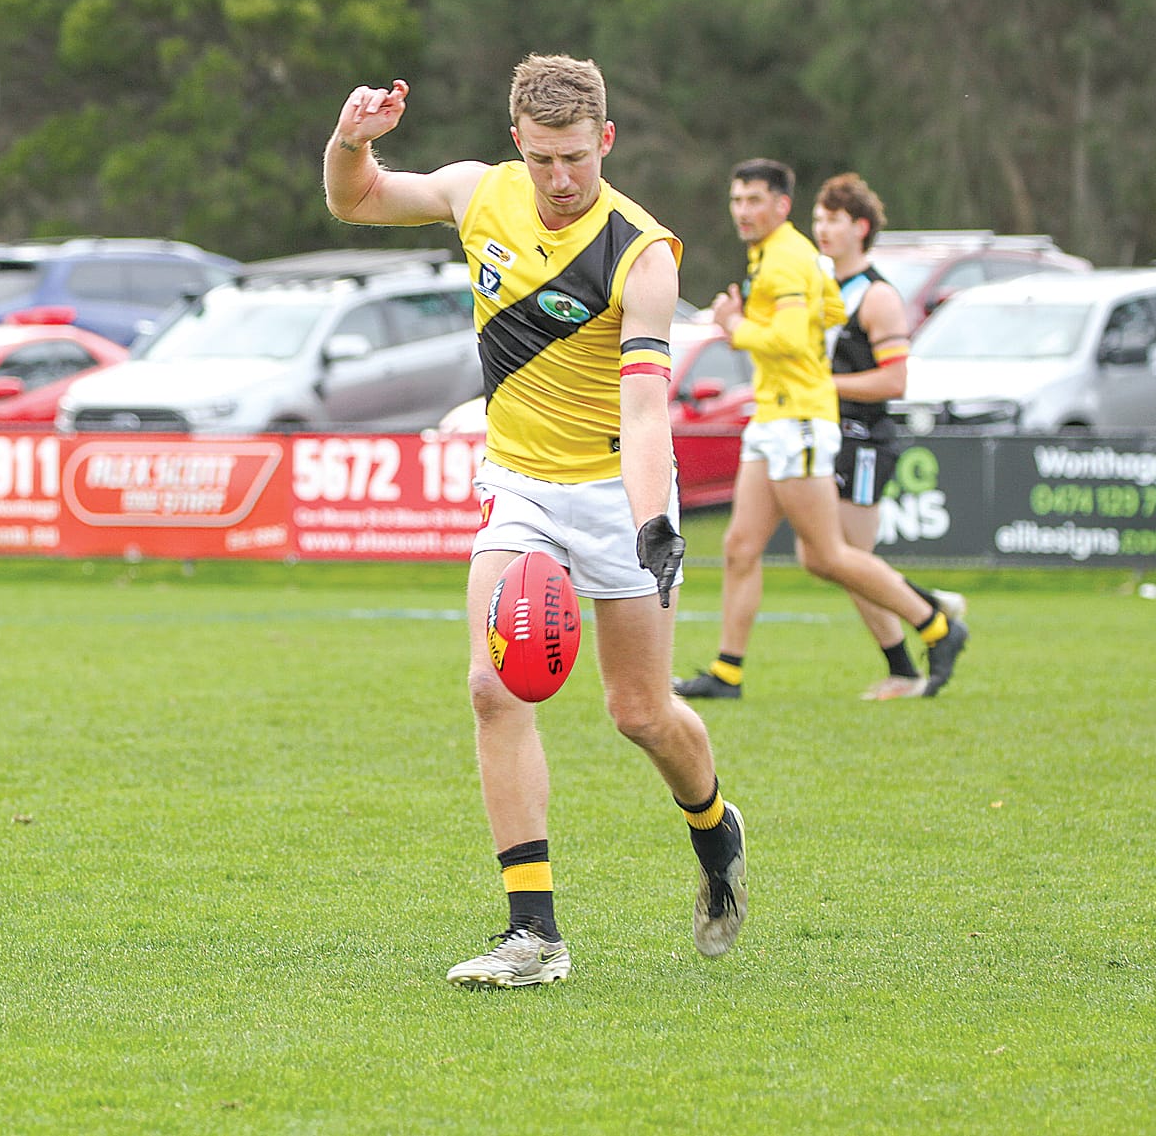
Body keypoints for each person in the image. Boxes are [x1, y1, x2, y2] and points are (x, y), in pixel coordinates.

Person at [323, 54, 747, 989]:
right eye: (544, 160)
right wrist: (350, 139)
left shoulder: (642, 255)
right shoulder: (478, 195)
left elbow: (644, 412)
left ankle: (716, 833)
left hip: (617, 491)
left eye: (577, 161)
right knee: (491, 685)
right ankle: (534, 934)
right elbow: (358, 201)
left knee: (640, 713)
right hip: (518, 481)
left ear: (606, 141)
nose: (561, 181)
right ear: (519, 143)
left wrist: (652, 521)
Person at [673, 159, 969, 703]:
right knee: (741, 546)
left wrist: (735, 326)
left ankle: (936, 625)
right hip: (775, 415)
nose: (742, 211)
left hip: (802, 420)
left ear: (780, 206)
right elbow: (829, 308)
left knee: (829, 555)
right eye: (736, 201)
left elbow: (787, 338)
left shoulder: (788, 256)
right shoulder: (783, 258)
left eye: (754, 200)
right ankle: (727, 673)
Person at [807, 172, 966, 701]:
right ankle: (926, 607)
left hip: (866, 440)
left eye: (834, 219)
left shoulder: (877, 297)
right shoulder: (820, 288)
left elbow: (895, 381)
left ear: (862, 227)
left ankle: (911, 654)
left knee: (849, 560)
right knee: (828, 558)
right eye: (818, 218)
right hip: (830, 436)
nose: (821, 228)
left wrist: (820, 385)